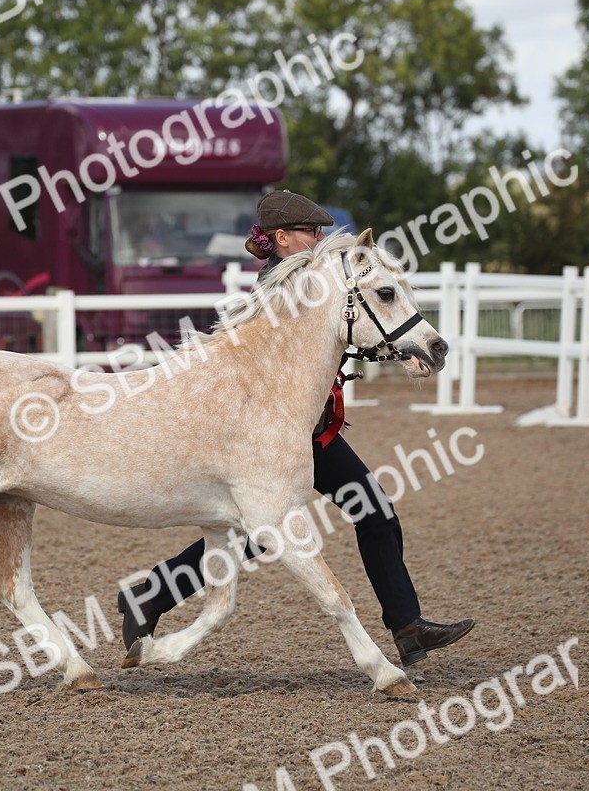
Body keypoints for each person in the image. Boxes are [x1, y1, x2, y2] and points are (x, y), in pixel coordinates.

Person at [116, 190, 475, 667]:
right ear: (282, 238)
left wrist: (397, 347)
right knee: (256, 532)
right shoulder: (277, 289)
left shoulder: (315, 282)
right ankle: (149, 596)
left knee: (367, 512)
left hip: (311, 430)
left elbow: (349, 331)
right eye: (311, 232)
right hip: (270, 437)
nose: (319, 239)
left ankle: (408, 628)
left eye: (321, 232)